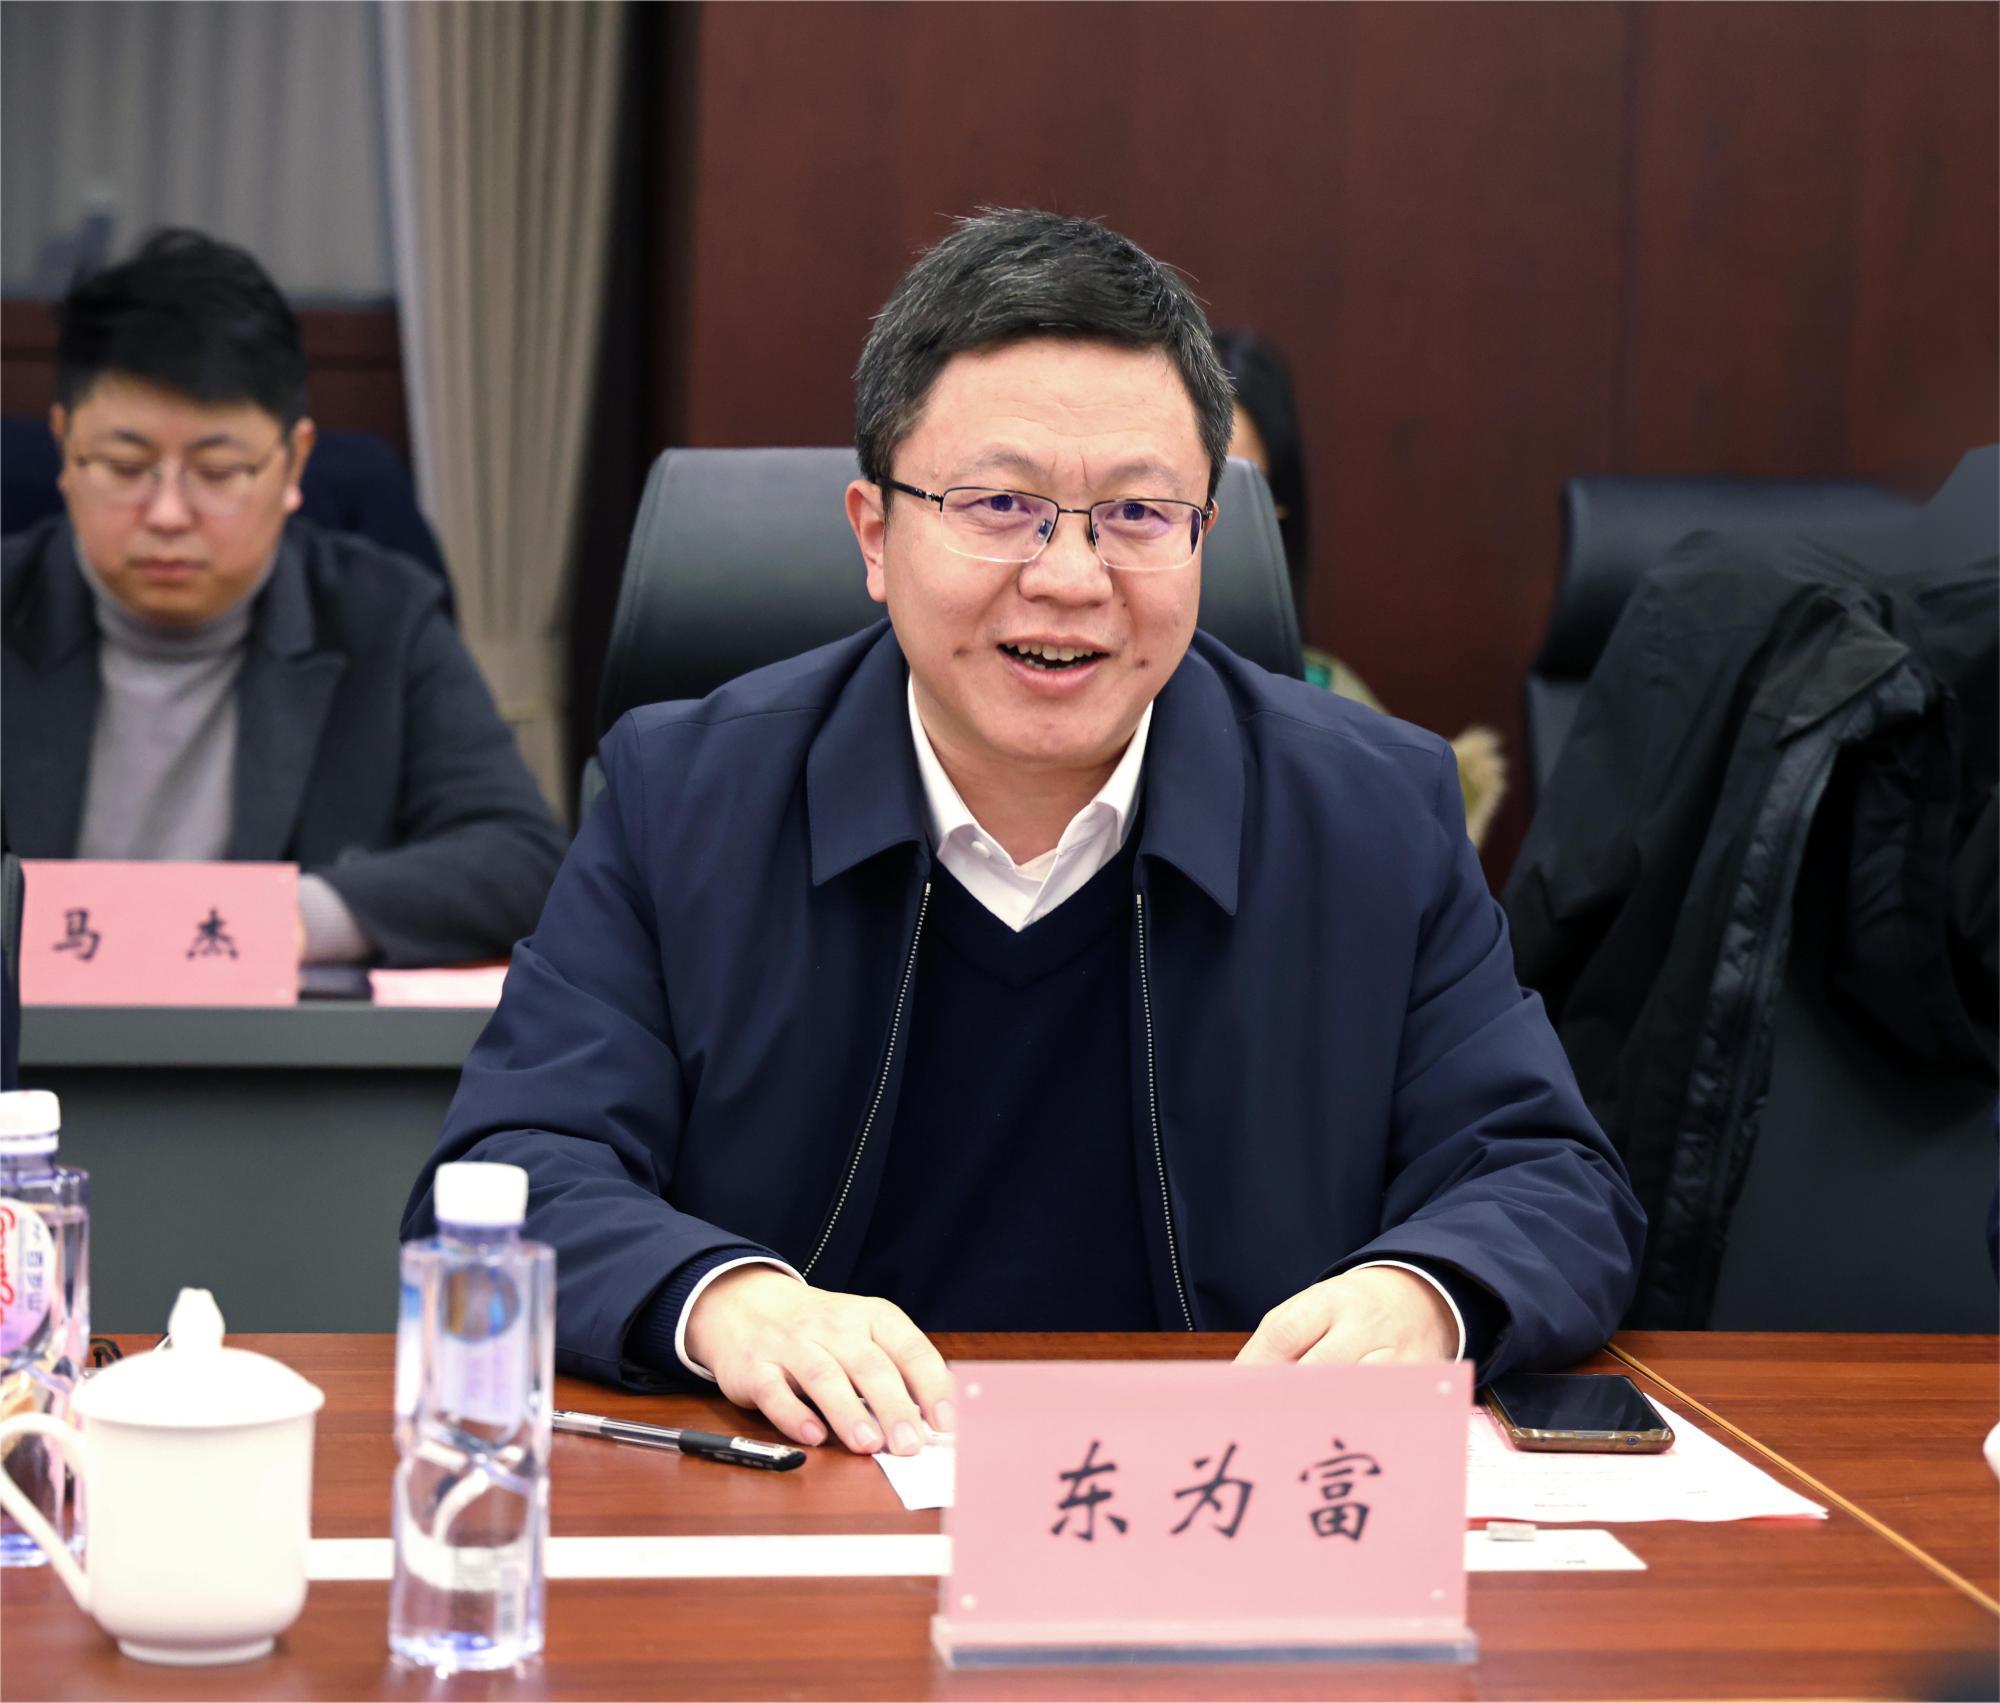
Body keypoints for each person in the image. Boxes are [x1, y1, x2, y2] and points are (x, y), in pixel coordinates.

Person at [405, 210, 1642, 1457]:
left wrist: (1422, 1291)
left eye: (1138, 513)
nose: (1068, 576)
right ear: (874, 534)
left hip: (1218, 1505)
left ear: (1205, 537)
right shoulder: (684, 797)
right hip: (813, 1490)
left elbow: (1548, 1176)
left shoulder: (1371, 812)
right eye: (999, 503)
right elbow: (517, 1166)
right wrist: (723, 1297)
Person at [1, 230, 566, 966]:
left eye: (217, 471)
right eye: (124, 464)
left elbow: (522, 858)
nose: (167, 513)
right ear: (64, 447)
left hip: (275, 1035)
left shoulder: (382, 618)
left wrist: (288, 922)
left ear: (294, 461)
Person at [1213, 326, 1508, 845]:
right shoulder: (1098, 690)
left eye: (1240, 495)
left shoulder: (1334, 704)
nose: (1211, 521)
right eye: (1188, 488)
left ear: (1278, 515)